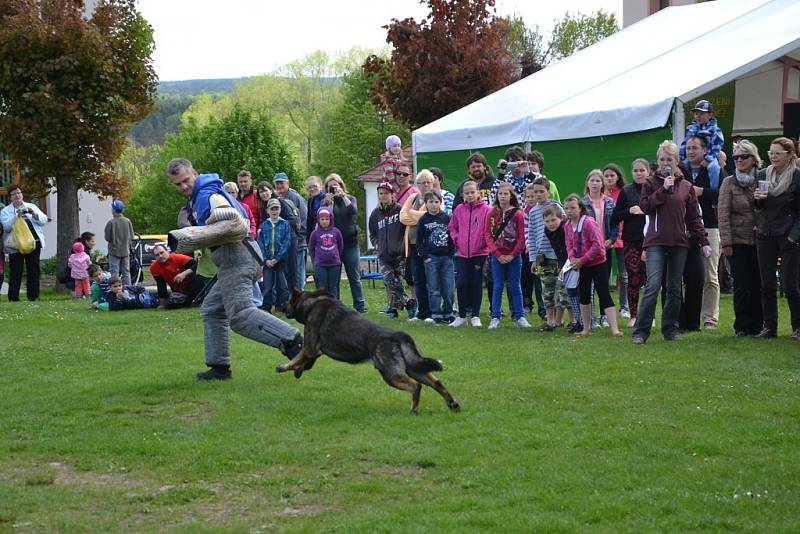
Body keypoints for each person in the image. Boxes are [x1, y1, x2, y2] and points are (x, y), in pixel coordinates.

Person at [166, 158, 303, 381]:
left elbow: (231, 221)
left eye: (185, 180)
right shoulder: (206, 192)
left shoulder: (208, 196)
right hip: (238, 255)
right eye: (177, 184)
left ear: (195, 174)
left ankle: (293, 341)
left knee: (240, 315)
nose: (183, 186)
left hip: (237, 255)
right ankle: (219, 368)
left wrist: (194, 235)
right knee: (212, 309)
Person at [632, 142, 710, 344]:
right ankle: (641, 331)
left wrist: (703, 241)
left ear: (677, 162)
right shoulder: (650, 183)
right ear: (657, 162)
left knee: (675, 287)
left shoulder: (686, 187)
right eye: (662, 159)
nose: (665, 163)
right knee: (653, 285)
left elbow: (694, 217)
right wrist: (663, 190)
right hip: (656, 241)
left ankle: (670, 328)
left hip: (679, 242)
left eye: (670, 159)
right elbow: (645, 207)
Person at [752, 137, 800, 340]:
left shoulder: (797, 177)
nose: (773, 157)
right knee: (767, 284)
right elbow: (757, 209)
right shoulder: (763, 174)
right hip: (765, 233)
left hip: (788, 234)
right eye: (771, 153)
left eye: (777, 153)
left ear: (790, 155)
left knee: (790, 284)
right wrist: (758, 201)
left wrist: (793, 236)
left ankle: (797, 327)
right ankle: (769, 327)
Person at [717, 140, 763, 336]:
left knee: (759, 284)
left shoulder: (763, 179)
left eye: (744, 156)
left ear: (754, 159)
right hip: (737, 241)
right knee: (742, 285)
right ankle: (742, 327)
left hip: (761, 240)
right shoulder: (728, 182)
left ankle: (759, 325)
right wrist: (726, 242)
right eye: (736, 157)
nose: (739, 160)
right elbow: (723, 214)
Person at [563, 194, 623, 338]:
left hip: (597, 263)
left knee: (603, 294)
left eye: (573, 208)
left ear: (580, 208)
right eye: (566, 208)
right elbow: (569, 245)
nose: (569, 211)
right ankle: (586, 328)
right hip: (581, 265)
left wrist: (582, 259)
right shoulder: (567, 225)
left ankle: (614, 329)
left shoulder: (589, 222)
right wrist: (573, 259)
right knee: (584, 295)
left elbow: (598, 244)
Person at [684, 135, 722, 329]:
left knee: (710, 274)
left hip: (710, 225)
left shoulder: (714, 169)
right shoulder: (682, 170)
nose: (690, 151)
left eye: (694, 148)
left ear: (705, 150)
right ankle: (688, 317)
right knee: (687, 275)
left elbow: (724, 192)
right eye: (688, 148)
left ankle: (709, 318)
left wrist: (702, 192)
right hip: (685, 227)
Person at [485, 183, 529, 329]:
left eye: (505, 194)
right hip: (497, 256)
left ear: (511, 196)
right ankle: (495, 316)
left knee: (515, 286)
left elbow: (521, 236)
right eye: (500, 194)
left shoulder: (518, 214)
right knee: (497, 286)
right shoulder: (492, 213)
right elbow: (488, 235)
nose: (503, 196)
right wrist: (497, 254)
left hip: (514, 256)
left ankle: (520, 316)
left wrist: (513, 254)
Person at [611, 158, 650, 327]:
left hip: (651, 241)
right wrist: (630, 210)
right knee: (633, 278)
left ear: (648, 172)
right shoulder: (626, 191)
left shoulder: (654, 189)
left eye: (642, 170)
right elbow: (615, 217)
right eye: (636, 171)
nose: (639, 173)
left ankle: (650, 316)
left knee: (651, 280)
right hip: (631, 241)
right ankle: (634, 315)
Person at [448, 180, 490, 328]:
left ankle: (475, 315)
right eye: (467, 193)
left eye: (473, 192)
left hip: (480, 253)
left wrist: (482, 242)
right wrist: (457, 239)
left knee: (476, 283)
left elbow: (489, 229)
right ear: (462, 195)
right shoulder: (459, 209)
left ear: (478, 193)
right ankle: (461, 316)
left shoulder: (486, 209)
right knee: (461, 283)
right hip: (462, 254)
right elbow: (452, 227)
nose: (470, 195)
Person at [322, 173, 367, 313]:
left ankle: (360, 305)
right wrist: (329, 203)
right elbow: (326, 219)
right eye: (331, 188)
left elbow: (353, 210)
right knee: (334, 278)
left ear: (341, 186)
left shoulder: (350, 198)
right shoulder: (325, 203)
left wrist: (343, 196)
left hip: (350, 243)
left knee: (354, 276)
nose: (334, 190)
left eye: (336, 186)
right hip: (333, 245)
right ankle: (336, 306)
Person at [527, 179, 567, 330]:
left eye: (541, 191)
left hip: (558, 256)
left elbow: (565, 227)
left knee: (561, 289)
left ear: (548, 191)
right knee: (547, 289)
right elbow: (531, 235)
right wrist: (533, 259)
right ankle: (550, 319)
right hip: (542, 257)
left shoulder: (556, 207)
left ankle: (559, 319)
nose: (538, 194)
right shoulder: (532, 211)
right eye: (535, 192)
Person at [582, 169, 619, 328]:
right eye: (592, 180)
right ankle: (591, 318)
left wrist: (611, 240)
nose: (595, 183)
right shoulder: (582, 203)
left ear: (602, 183)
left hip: (606, 247)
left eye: (598, 180)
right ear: (587, 183)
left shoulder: (610, 202)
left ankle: (605, 316)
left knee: (602, 283)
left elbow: (615, 223)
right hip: (588, 250)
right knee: (587, 285)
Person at [369, 182, 411, 319]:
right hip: (383, 255)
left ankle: (393, 310)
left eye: (386, 193)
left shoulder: (400, 210)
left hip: (398, 255)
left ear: (393, 195)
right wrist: (377, 245)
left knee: (397, 280)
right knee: (390, 280)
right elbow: (372, 234)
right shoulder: (375, 214)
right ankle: (409, 302)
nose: (383, 196)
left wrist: (402, 246)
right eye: (381, 193)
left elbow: (406, 230)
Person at [400, 169, 437, 322]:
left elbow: (430, 215)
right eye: (422, 182)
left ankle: (432, 312)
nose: (426, 185)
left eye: (429, 182)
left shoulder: (435, 199)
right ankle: (421, 312)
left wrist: (414, 215)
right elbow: (402, 217)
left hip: (429, 246)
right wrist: (419, 217)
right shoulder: (413, 197)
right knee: (418, 280)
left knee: (431, 280)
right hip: (413, 245)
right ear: (418, 184)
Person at [1, 185, 47, 302]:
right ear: (10, 198)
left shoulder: (31, 206)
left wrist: (34, 214)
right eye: (14, 194)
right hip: (16, 245)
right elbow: (6, 227)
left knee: (33, 271)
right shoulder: (6, 211)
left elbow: (43, 220)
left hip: (33, 243)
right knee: (16, 271)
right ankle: (13, 298)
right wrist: (16, 216)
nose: (17, 196)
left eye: (19, 193)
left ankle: (34, 297)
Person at [416, 190, 455, 324]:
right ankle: (436, 314)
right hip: (431, 259)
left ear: (440, 203)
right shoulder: (423, 220)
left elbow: (452, 236)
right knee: (434, 289)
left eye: (436, 202)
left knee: (449, 288)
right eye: (431, 202)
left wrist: (451, 253)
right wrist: (425, 256)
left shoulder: (446, 218)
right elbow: (419, 241)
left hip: (446, 258)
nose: (434, 205)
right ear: (426, 204)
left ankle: (448, 312)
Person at [542, 204, 580, 332]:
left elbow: (570, 246)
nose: (551, 224)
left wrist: (569, 263)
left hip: (570, 261)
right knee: (553, 290)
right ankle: (554, 321)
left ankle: (573, 320)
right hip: (556, 261)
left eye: (553, 220)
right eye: (547, 221)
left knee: (567, 290)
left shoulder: (565, 228)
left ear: (561, 218)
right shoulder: (547, 230)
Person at [602, 163, 629, 319]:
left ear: (618, 176)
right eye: (606, 176)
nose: (609, 178)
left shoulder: (623, 192)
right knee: (604, 274)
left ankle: (624, 306)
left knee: (623, 274)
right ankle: (606, 308)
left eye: (612, 175)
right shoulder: (600, 193)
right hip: (605, 237)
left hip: (621, 235)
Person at [273, 172, 308, 291]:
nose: (279, 186)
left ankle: (300, 300)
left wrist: (299, 238)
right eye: (277, 183)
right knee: (289, 274)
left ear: (287, 183)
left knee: (298, 274)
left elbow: (304, 220)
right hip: (285, 244)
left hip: (298, 242)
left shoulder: (295, 198)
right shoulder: (277, 198)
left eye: (281, 183)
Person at [258, 198, 292, 313]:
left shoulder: (285, 224)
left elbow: (287, 243)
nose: (274, 211)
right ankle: (266, 307)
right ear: (268, 211)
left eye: (276, 209)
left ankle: (284, 306)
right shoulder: (264, 225)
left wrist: (277, 258)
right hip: (267, 262)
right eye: (272, 209)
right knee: (268, 286)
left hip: (280, 261)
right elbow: (261, 243)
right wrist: (266, 259)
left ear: (280, 210)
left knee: (283, 286)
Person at [149, 244, 209, 308]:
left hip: (194, 285)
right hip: (179, 291)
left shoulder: (178, 258)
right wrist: (161, 304)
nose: (160, 256)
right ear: (155, 257)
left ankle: (200, 300)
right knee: (172, 304)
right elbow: (161, 285)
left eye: (162, 253)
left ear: (167, 251)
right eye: (157, 255)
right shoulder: (154, 268)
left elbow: (197, 265)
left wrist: (184, 274)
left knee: (198, 277)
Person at [679, 99, 724, 181]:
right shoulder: (690, 128)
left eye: (702, 113)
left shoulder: (715, 130)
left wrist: (708, 159)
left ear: (710, 115)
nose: (698, 116)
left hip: (710, 156)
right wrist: (680, 156)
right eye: (696, 114)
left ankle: (714, 189)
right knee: (681, 167)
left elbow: (717, 147)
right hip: (692, 157)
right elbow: (684, 144)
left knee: (714, 167)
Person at [308, 207, 343, 299]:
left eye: (327, 219)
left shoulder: (336, 232)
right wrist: (315, 261)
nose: (324, 221)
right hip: (320, 265)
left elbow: (340, 246)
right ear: (318, 220)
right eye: (322, 219)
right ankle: (323, 306)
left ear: (330, 219)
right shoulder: (315, 233)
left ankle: (335, 306)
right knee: (322, 288)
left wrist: (337, 257)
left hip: (334, 264)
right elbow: (311, 248)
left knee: (333, 287)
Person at [104, 199, 134, 285]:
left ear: (113, 210)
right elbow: (132, 236)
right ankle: (128, 291)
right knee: (126, 272)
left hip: (113, 252)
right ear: (122, 210)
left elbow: (107, 238)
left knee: (114, 273)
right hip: (125, 251)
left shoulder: (111, 222)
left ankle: (115, 290)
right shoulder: (127, 221)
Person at [305, 175, 326, 242]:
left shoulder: (327, 198)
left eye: (314, 186)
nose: (312, 189)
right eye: (309, 187)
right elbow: (309, 220)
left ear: (321, 186)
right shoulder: (310, 200)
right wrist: (308, 239)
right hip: (315, 235)